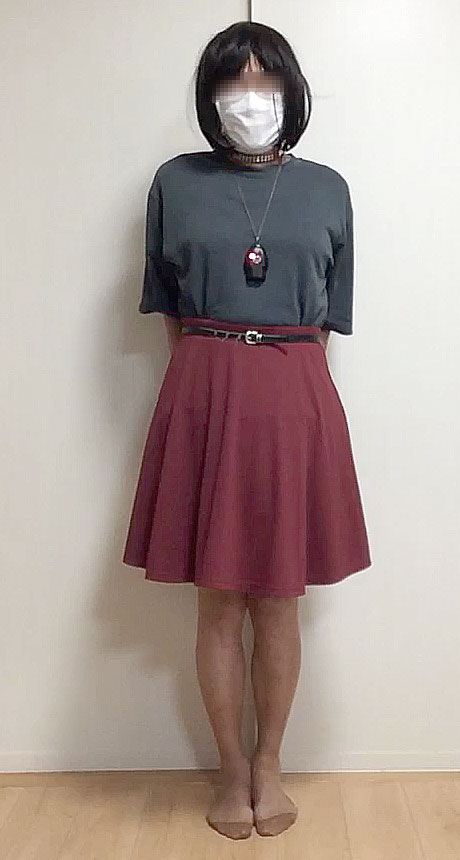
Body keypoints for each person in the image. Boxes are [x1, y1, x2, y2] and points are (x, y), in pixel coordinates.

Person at [123, 21, 372, 840]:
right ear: (210, 97)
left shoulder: (329, 188)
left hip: (296, 392)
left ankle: (271, 764)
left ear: (293, 94)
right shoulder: (175, 182)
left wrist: (272, 372)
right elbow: (169, 308)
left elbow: (326, 317)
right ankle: (231, 770)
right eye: (235, 84)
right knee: (218, 600)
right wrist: (214, 368)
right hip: (204, 389)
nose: (251, 100)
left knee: (279, 599)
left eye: (267, 84)